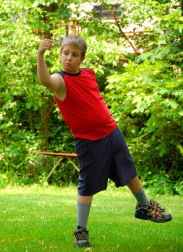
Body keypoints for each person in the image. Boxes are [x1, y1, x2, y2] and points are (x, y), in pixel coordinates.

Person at [37, 35, 172, 247]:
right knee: (88, 183)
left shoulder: (89, 74)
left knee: (129, 170)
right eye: (65, 53)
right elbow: (45, 81)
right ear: (60, 54)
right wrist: (40, 55)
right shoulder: (60, 81)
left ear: (82, 59)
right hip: (88, 140)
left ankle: (144, 206)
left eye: (74, 55)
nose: (69, 58)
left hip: (111, 130)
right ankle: (81, 230)